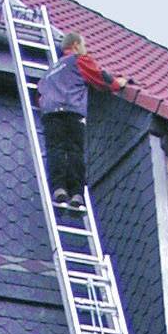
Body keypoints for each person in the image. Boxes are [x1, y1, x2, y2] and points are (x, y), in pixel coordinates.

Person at [35, 33, 127, 209]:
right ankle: (77, 193)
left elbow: (39, 97)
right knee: (75, 151)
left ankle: (59, 189)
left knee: (56, 150)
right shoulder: (79, 60)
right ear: (76, 45)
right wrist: (118, 83)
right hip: (72, 111)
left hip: (51, 115)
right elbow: (100, 77)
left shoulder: (48, 73)